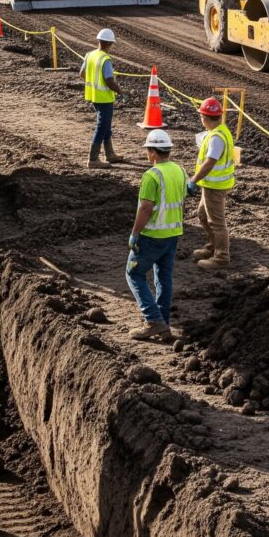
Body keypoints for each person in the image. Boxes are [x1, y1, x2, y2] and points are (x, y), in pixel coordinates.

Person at [126, 129, 187, 341]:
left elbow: (145, 208)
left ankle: (152, 320)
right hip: (173, 233)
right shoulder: (180, 171)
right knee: (164, 277)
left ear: (153, 152)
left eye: (147, 150)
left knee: (133, 274)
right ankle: (164, 323)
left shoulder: (152, 175)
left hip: (152, 235)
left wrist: (135, 233)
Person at [187, 97, 235, 270]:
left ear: (205, 118)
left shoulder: (216, 138)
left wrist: (193, 180)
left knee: (217, 221)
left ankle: (221, 257)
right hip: (211, 185)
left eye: (201, 117)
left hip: (215, 186)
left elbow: (209, 162)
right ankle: (213, 247)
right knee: (202, 214)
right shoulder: (219, 131)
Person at [79, 27, 123, 168]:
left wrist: (92, 82)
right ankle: (93, 159)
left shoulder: (90, 55)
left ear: (99, 41)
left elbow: (82, 73)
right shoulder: (105, 59)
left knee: (105, 125)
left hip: (93, 96)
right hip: (104, 98)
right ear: (110, 44)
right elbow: (109, 80)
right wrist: (121, 91)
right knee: (102, 125)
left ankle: (110, 154)